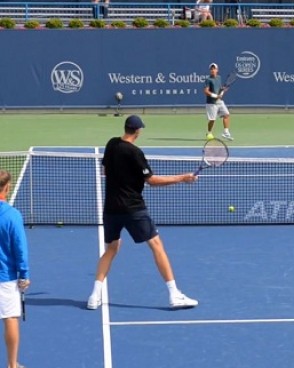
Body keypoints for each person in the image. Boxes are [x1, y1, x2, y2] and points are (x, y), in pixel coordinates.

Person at [87, 115, 199, 311]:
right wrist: (182, 178)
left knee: (111, 249)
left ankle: (94, 296)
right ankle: (174, 294)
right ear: (138, 131)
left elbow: (105, 171)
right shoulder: (135, 153)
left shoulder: (111, 144)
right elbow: (152, 181)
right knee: (156, 245)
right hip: (133, 208)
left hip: (111, 209)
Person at [0, 170, 36, 368]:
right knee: (10, 318)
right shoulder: (12, 215)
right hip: (5, 278)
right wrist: (24, 275)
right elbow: (19, 249)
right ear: (6, 188)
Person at [204, 63, 233, 141]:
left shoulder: (219, 78)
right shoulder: (208, 80)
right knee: (212, 120)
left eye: (214, 69)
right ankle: (209, 132)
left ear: (217, 70)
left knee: (226, 114)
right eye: (211, 69)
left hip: (219, 102)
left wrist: (222, 91)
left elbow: (219, 89)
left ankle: (226, 132)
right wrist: (215, 96)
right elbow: (206, 91)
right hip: (211, 103)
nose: (212, 70)